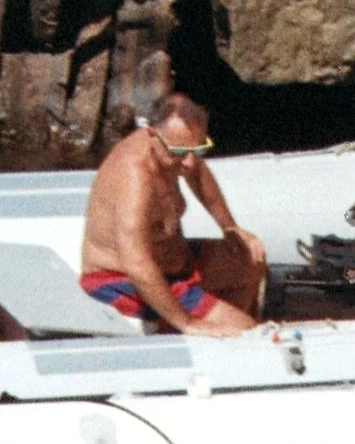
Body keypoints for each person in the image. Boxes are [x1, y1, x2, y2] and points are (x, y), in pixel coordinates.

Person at [77, 89, 267, 334]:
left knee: (252, 260)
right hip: (122, 278)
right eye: (179, 152)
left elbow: (197, 173)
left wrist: (230, 227)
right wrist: (188, 323)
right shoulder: (135, 178)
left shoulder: (176, 148)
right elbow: (137, 264)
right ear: (152, 134)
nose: (189, 162)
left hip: (175, 262)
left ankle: (218, 322)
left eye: (198, 150)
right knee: (247, 332)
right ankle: (190, 327)